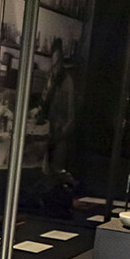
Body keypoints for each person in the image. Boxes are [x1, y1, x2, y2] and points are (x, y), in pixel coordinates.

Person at [36, 37, 75, 174]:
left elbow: (72, 117)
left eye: (58, 62)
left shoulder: (68, 81)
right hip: (47, 131)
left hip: (60, 136)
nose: (55, 66)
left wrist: (60, 134)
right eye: (53, 62)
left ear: (62, 61)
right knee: (41, 169)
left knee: (57, 173)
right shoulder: (50, 76)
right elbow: (44, 99)